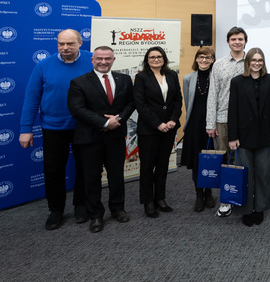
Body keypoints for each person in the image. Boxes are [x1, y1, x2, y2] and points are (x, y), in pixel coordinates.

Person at [19, 29, 93, 230]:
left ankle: (81, 205)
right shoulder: (43, 65)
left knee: (84, 167)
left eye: (70, 44)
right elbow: (31, 99)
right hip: (53, 127)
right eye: (61, 44)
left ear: (80, 43)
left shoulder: (92, 60)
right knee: (53, 170)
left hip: (84, 125)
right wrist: (26, 128)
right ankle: (56, 209)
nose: (65, 48)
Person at [67, 46, 135, 233]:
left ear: (113, 60)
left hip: (116, 137)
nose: (103, 62)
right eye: (99, 58)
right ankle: (95, 215)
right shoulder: (79, 82)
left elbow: (131, 103)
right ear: (92, 60)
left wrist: (118, 120)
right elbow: (77, 109)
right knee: (91, 178)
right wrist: (105, 123)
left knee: (116, 175)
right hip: (90, 138)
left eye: (107, 58)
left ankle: (118, 209)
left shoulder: (124, 79)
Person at [227, 48, 270, 227]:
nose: (257, 63)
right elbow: (232, 110)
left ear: (263, 62)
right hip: (243, 136)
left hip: (265, 135)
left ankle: (260, 208)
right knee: (245, 175)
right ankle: (246, 210)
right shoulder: (237, 81)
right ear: (248, 62)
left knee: (264, 174)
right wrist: (232, 137)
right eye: (253, 60)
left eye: (260, 60)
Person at [133, 46, 182, 219]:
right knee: (147, 167)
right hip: (149, 130)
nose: (156, 59)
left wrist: (173, 120)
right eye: (152, 57)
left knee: (162, 165)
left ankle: (160, 198)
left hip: (169, 128)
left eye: (159, 56)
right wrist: (158, 124)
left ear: (164, 58)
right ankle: (148, 201)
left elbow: (177, 100)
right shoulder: (141, 77)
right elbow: (140, 104)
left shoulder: (172, 75)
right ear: (147, 60)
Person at [206, 26, 248, 217]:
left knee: (245, 159)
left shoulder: (252, 62)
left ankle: (244, 194)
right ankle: (226, 199)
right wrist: (210, 123)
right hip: (223, 119)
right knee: (225, 160)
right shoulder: (219, 64)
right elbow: (212, 94)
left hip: (247, 120)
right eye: (233, 39)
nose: (237, 42)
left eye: (240, 39)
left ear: (245, 41)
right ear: (228, 42)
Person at [180, 46, 216, 213]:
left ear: (213, 60)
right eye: (201, 57)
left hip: (212, 125)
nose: (204, 60)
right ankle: (199, 194)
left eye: (208, 57)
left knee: (211, 159)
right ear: (196, 59)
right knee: (197, 161)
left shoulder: (215, 77)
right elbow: (188, 104)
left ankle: (209, 192)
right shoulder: (188, 78)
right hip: (195, 125)